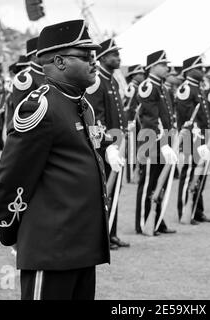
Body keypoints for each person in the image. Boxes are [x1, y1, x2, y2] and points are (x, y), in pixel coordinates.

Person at [0, 19, 110, 300]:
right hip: (51, 248)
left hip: (82, 246)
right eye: (85, 56)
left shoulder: (81, 104)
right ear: (59, 61)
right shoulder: (40, 106)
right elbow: (12, 178)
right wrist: (13, 232)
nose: (94, 62)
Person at [85, 38, 130, 250]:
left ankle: (111, 232)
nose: (118, 58)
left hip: (116, 144)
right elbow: (96, 117)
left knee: (115, 191)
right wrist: (107, 145)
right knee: (103, 192)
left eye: (118, 54)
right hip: (105, 147)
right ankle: (101, 235)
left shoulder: (111, 79)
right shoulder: (97, 81)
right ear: (102, 58)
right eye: (114, 55)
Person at [135, 50, 178, 235]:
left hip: (164, 142)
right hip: (152, 143)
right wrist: (163, 143)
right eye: (162, 64)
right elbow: (150, 121)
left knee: (160, 183)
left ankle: (157, 220)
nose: (166, 67)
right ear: (152, 67)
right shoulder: (148, 86)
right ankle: (144, 222)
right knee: (148, 184)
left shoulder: (162, 87)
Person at [176, 55, 210, 224]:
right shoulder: (186, 89)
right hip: (192, 141)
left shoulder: (197, 88)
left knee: (200, 176)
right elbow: (188, 120)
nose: (203, 70)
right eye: (199, 67)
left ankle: (197, 210)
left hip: (201, 140)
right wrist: (198, 142)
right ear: (190, 70)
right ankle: (185, 210)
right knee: (189, 176)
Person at [9, 37, 45, 123]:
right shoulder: (25, 78)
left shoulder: (50, 73)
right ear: (34, 56)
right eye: (43, 52)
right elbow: (21, 115)